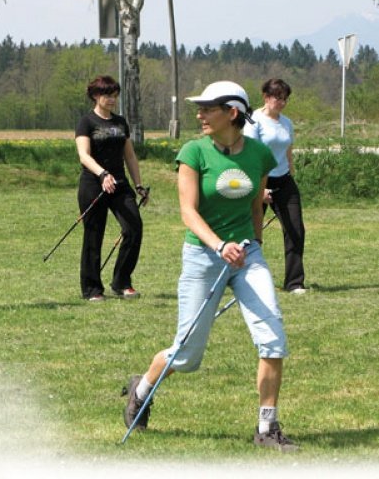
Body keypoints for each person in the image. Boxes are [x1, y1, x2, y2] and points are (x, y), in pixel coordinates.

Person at [123, 80, 297, 451]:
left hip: (247, 257)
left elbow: (255, 206)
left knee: (273, 341)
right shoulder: (193, 152)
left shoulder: (259, 155)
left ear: (232, 113)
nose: (199, 114)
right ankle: (142, 388)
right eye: (199, 108)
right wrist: (220, 245)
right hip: (204, 256)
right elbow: (188, 212)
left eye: (208, 108)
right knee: (186, 356)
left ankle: (267, 428)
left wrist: (255, 247)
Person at [75, 75, 148, 302]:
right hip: (93, 184)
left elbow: (130, 156)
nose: (112, 99)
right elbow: (83, 155)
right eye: (108, 95)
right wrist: (102, 173)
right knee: (93, 236)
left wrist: (138, 184)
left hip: (119, 185)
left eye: (115, 95)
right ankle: (92, 289)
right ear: (96, 96)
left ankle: (122, 282)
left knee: (133, 228)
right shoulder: (86, 122)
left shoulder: (120, 122)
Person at [244, 78, 307, 294]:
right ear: (266, 97)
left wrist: (291, 170)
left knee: (296, 229)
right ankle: (245, 277)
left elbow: (287, 149)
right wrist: (260, 189)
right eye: (277, 98)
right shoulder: (254, 121)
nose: (281, 102)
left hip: (283, 180)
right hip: (259, 179)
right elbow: (250, 154)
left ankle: (295, 282)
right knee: (251, 231)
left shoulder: (286, 122)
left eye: (285, 99)